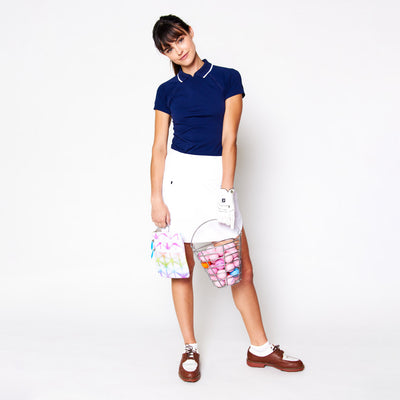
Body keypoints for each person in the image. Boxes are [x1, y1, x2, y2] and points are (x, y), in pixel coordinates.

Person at [150, 14, 304, 382]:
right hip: (179, 180)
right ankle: (190, 347)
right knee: (180, 268)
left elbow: (229, 139)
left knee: (241, 270)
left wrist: (226, 189)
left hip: (216, 178)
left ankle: (260, 348)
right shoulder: (166, 90)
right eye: (169, 48)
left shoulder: (227, 78)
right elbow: (158, 148)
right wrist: (156, 197)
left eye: (180, 39)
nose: (178, 50)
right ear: (164, 53)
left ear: (190, 33)